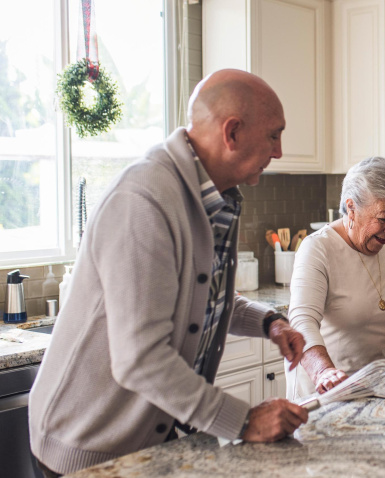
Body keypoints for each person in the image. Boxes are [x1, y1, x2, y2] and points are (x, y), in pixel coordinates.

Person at [29, 69, 309, 477]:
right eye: (273, 135)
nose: (280, 151)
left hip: (147, 444)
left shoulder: (214, 196)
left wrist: (269, 322)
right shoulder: (144, 202)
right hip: (88, 449)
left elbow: (201, 300)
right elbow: (140, 359)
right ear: (232, 133)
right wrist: (244, 421)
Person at [286, 156, 385, 399]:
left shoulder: (382, 246)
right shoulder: (318, 248)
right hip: (329, 396)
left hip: (380, 390)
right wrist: (323, 372)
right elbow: (301, 322)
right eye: (383, 218)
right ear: (351, 207)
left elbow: (381, 315)